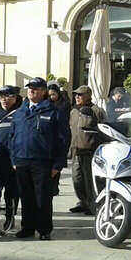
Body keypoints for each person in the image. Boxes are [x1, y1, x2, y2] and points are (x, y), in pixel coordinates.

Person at [10, 77, 70, 240]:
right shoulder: (20, 111)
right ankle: (27, 227)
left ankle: (44, 230)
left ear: (44, 91)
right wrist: (13, 159)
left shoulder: (53, 111)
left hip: (43, 161)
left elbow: (63, 139)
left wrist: (58, 164)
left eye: (35, 88)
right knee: (26, 196)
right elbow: (13, 136)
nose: (31, 90)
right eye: (30, 87)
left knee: (42, 197)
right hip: (22, 160)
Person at [0, 85, 23, 228]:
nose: (4, 99)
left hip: (13, 160)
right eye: (1, 96)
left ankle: (9, 216)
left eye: (8, 96)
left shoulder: (21, 113)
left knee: (12, 192)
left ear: (15, 97)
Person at [69, 85, 105, 215]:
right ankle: (83, 202)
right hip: (76, 150)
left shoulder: (97, 111)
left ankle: (92, 204)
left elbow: (103, 130)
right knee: (77, 179)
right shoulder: (73, 111)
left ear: (88, 96)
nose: (77, 97)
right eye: (76, 95)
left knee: (89, 179)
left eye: (80, 95)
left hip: (90, 151)